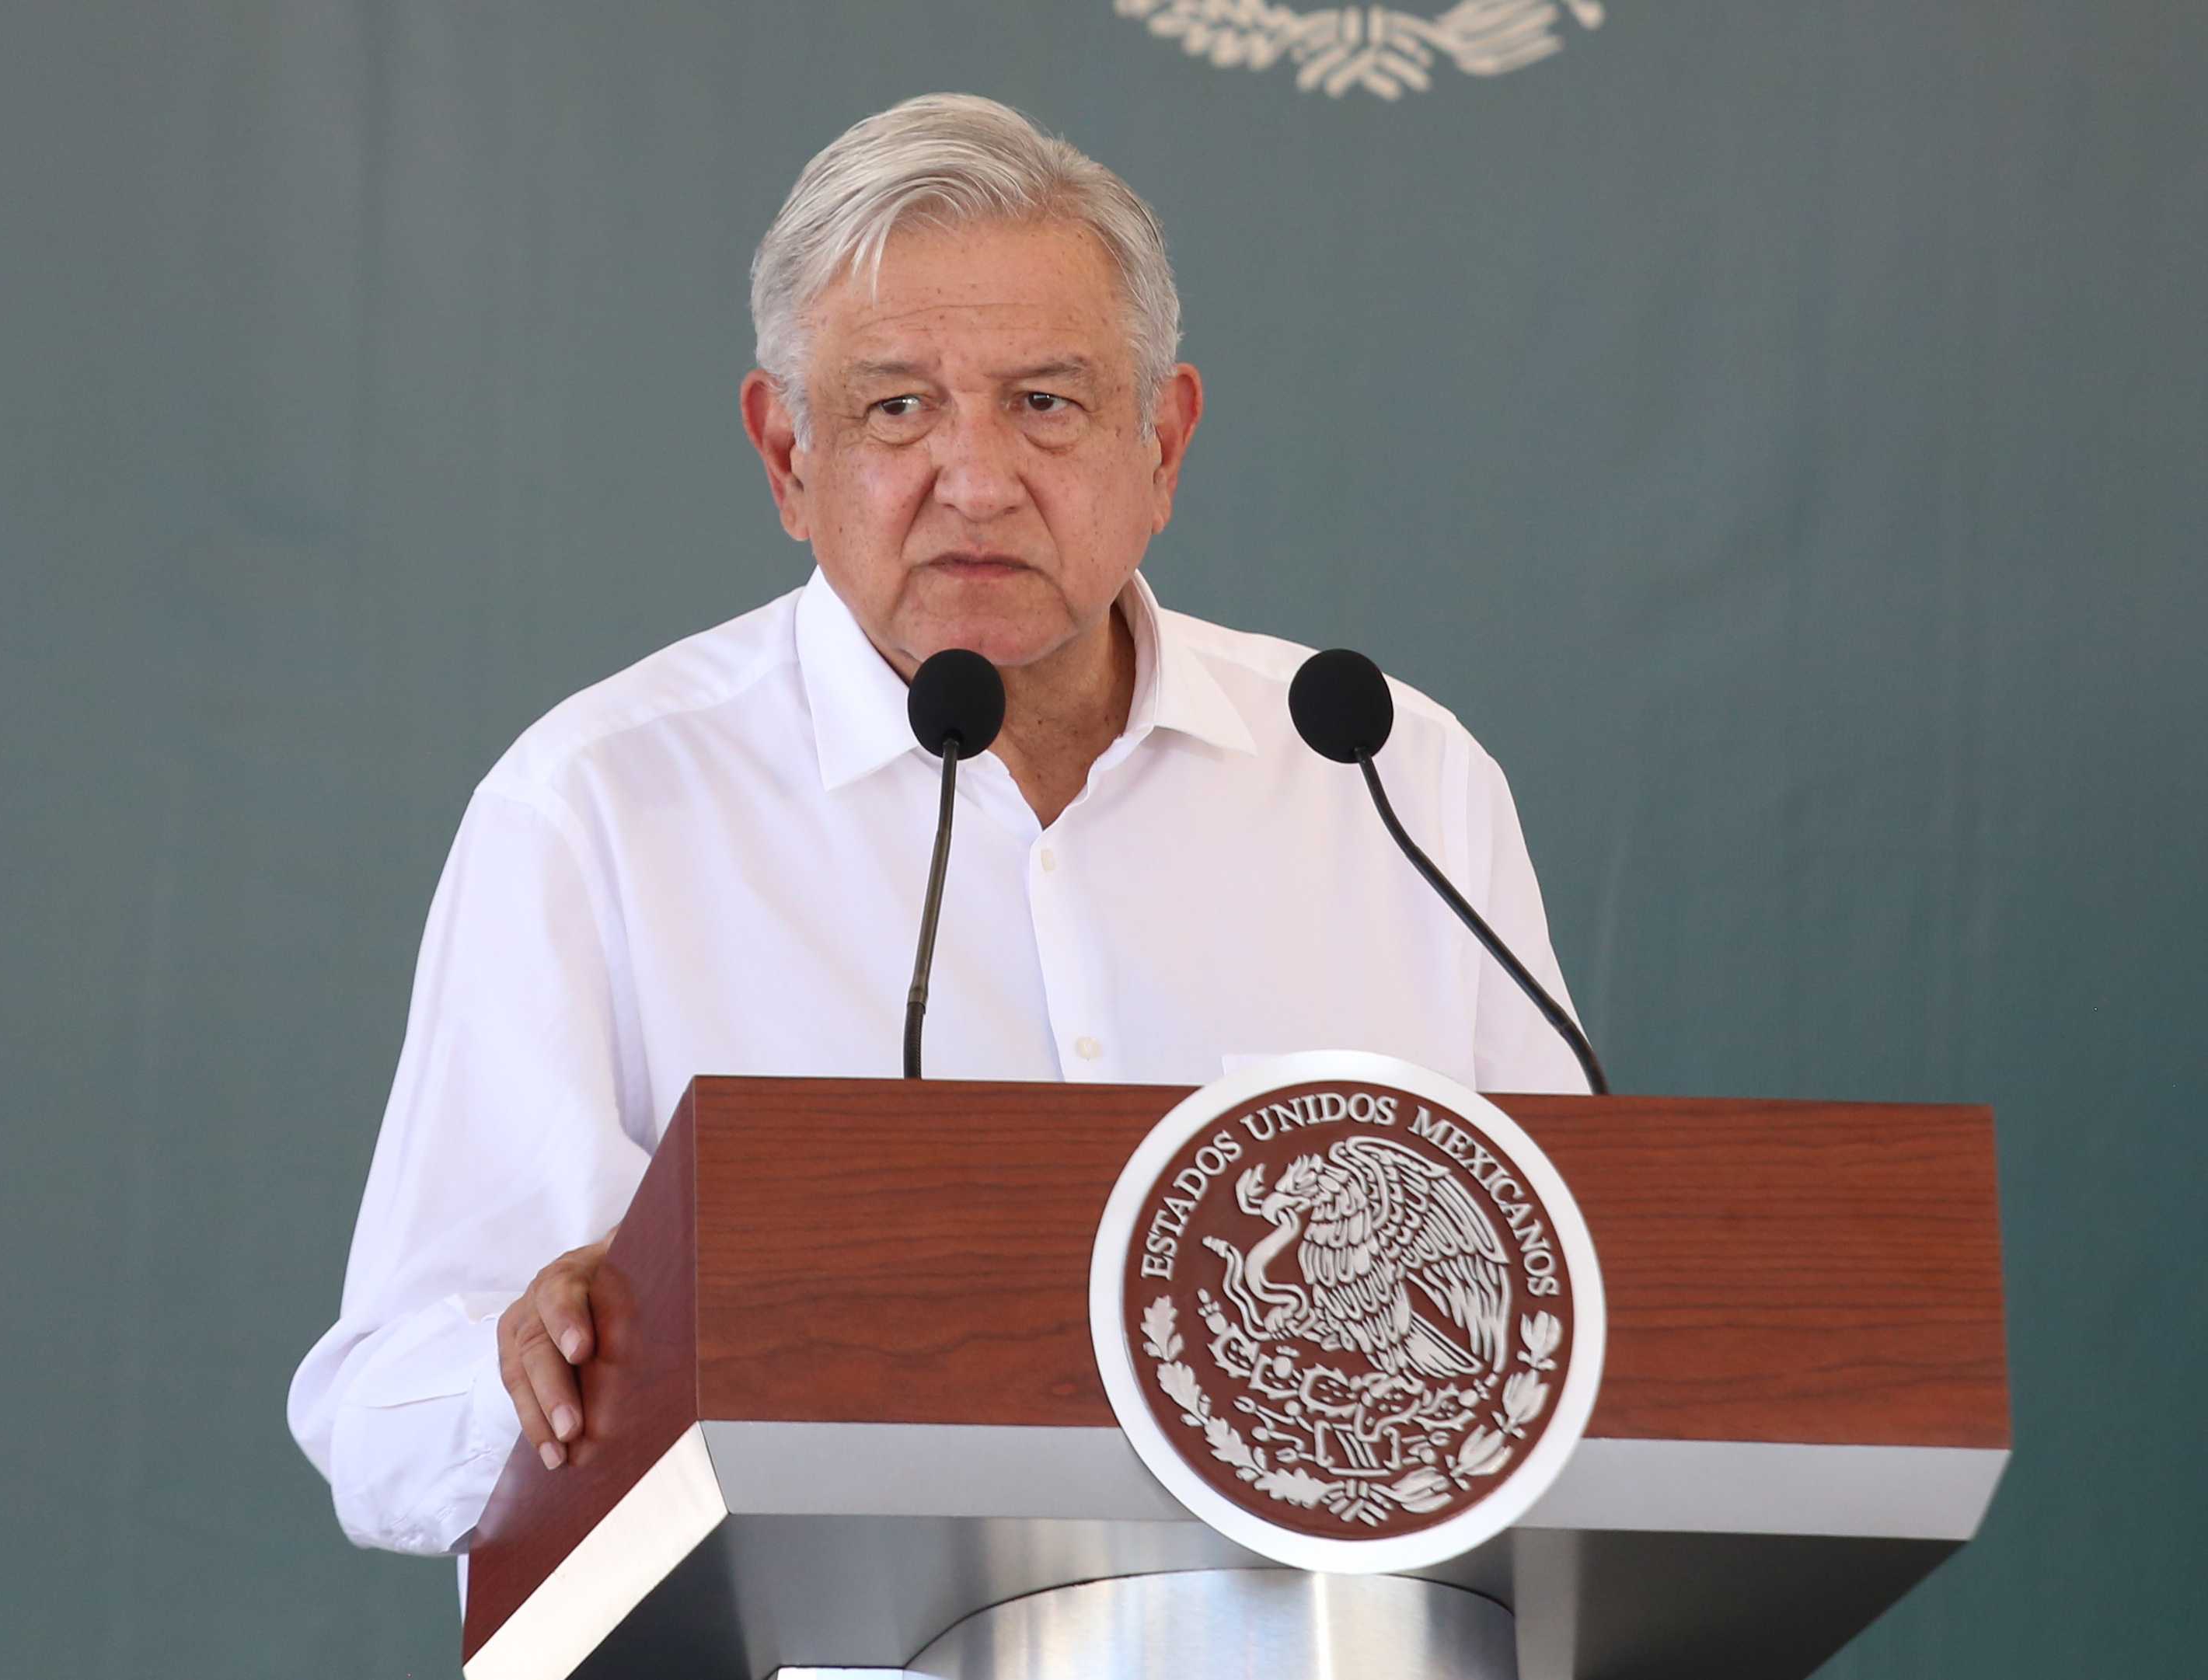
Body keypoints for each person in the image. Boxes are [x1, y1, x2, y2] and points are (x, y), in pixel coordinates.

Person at [288, 92, 1588, 1562]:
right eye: (895, 407)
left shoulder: (1387, 776)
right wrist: (551, 1374)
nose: (975, 478)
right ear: (785, 454)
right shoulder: (601, 805)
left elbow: (1585, 1323)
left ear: (1162, 442)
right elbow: (382, 1424)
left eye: (1047, 401)